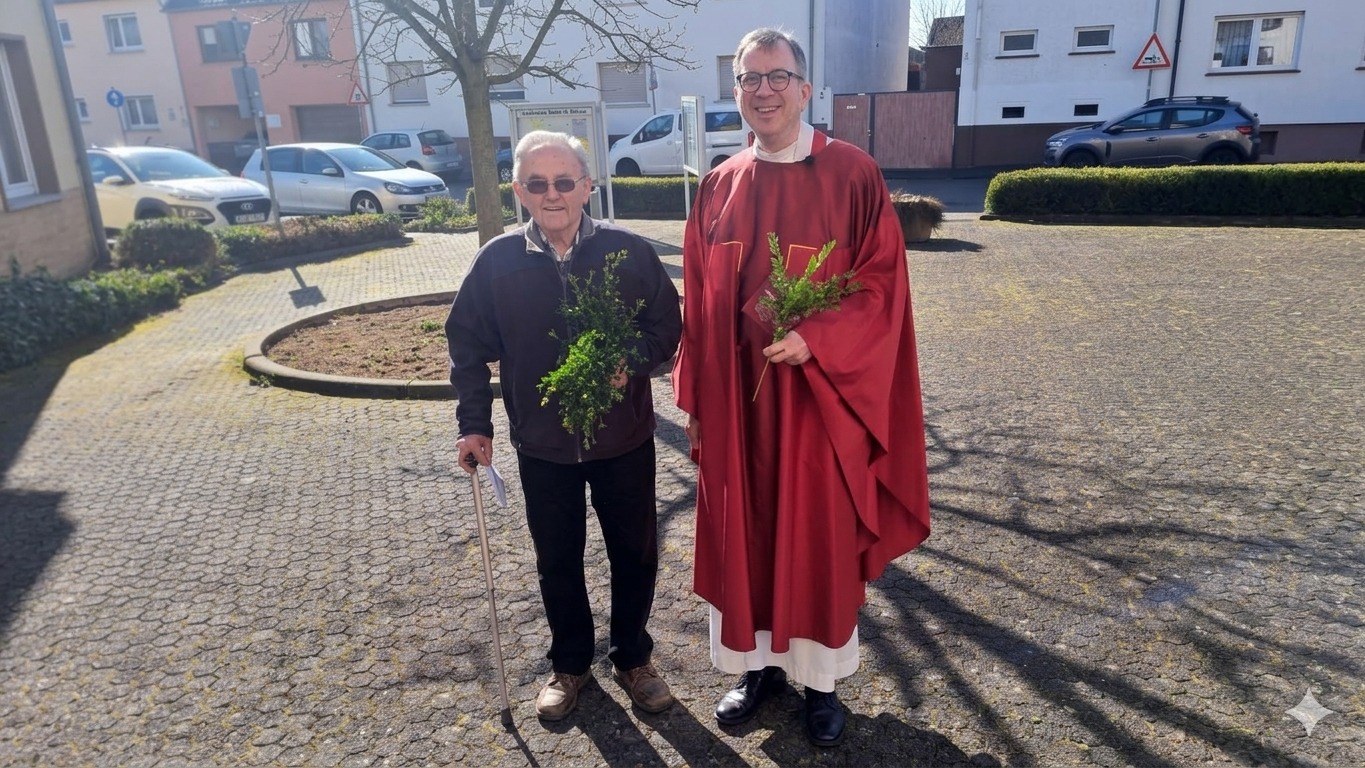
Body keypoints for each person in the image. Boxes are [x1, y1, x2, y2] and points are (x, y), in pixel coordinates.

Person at [671, 28, 932, 747]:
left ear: (805, 88)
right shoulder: (719, 184)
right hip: (738, 407)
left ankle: (819, 684)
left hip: (818, 405)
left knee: (811, 535)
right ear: (735, 93)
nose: (763, 90)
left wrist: (818, 337)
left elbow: (882, 284)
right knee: (746, 535)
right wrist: (696, 397)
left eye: (776, 76)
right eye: (749, 79)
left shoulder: (853, 174)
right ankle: (758, 673)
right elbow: (697, 296)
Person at [447, 130, 682, 721]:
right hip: (543, 444)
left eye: (563, 181)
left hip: (623, 439)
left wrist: (627, 360)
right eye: (536, 183)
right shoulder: (498, 261)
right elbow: (466, 343)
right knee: (558, 557)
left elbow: (667, 324)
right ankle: (571, 663)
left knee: (635, 552)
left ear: (587, 186)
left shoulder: (629, 252)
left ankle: (633, 657)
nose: (552, 194)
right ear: (519, 191)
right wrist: (474, 422)